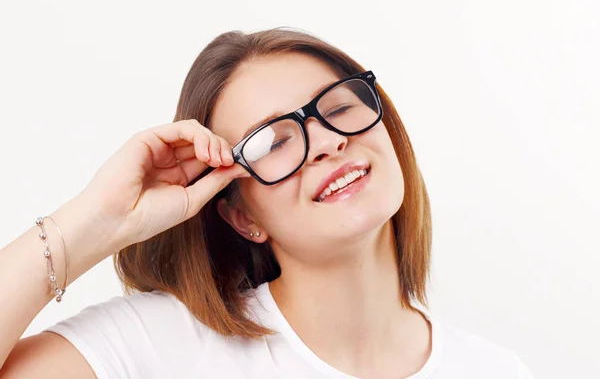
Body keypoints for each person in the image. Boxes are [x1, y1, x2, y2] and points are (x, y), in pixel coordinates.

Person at [0, 28, 534, 378]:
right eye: (275, 142)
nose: (326, 141)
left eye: (340, 107)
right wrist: (96, 222)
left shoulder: (495, 369)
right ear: (241, 215)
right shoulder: (157, 346)